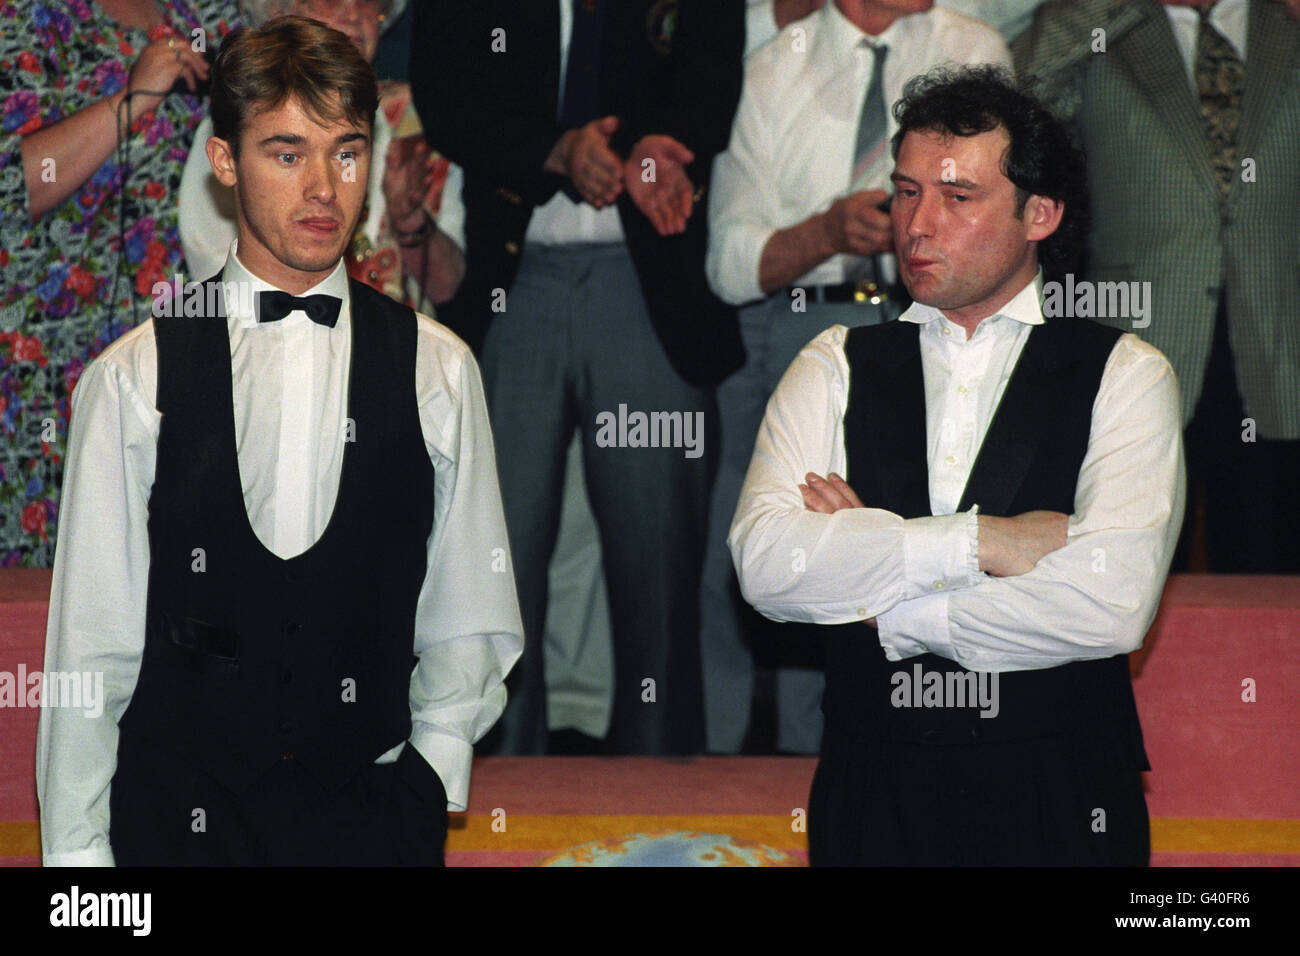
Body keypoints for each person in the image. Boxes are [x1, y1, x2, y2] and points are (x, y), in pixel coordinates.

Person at [36, 16, 523, 866]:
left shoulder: (438, 369)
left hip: (368, 819)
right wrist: (80, 872)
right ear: (225, 161)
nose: (325, 188)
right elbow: (91, 651)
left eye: (346, 150)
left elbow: (469, 618)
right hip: (173, 827)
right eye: (287, 153)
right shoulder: (132, 378)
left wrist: (426, 783)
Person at [729, 66, 1186, 865]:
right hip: (873, 788)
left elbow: (1108, 606)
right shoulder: (836, 359)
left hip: (1063, 793)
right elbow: (767, 567)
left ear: (1039, 214)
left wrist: (886, 605)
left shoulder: (1128, 372)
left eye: (957, 197)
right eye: (905, 192)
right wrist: (983, 544)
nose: (917, 224)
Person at [410, 0, 745, 756]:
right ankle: (497, 810)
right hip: (508, 279)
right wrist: (555, 149)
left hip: (650, 279)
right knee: (494, 570)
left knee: (658, 573)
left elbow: (716, 73)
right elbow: (447, 96)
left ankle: (662, 820)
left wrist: (664, 143)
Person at [704, 0, 1010, 754]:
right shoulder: (776, 64)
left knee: (924, 538)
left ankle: (902, 748)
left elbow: (1008, 214)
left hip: (941, 323)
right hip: (804, 317)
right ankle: (735, 768)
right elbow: (729, 265)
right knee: (782, 536)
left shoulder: (972, 46)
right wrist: (828, 231)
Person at [1013, 0, 1300, 573]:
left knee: (1274, 569)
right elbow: (1026, 93)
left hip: (1281, 337)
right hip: (1137, 334)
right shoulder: (1108, 27)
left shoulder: (1283, 20)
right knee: (1124, 566)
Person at [0, 0, 238, 566]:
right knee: (44, 595)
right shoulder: (26, 18)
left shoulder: (207, 14)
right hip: (42, 356)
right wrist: (131, 101)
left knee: (154, 577)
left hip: (171, 347)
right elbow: (9, 188)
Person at [179, 0, 468, 311]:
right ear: (279, 12)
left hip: (401, 347)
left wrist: (409, 219)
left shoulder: (414, 122)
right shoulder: (242, 122)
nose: (355, 13)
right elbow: (216, 273)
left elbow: (448, 287)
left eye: (369, 3)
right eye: (332, 0)